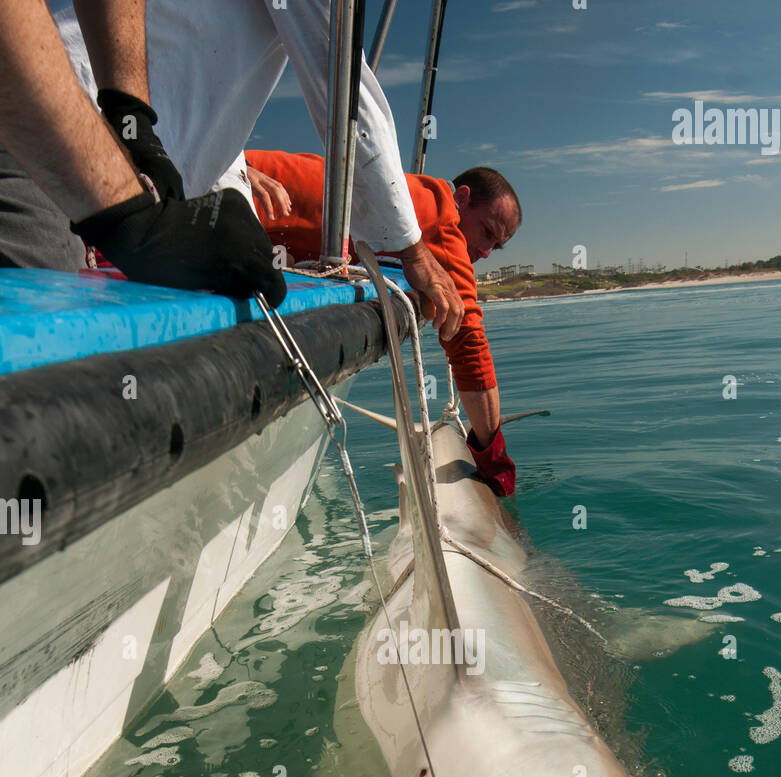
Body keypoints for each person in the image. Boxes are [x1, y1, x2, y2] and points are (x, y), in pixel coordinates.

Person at [0, 0, 463, 337]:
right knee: (47, 351)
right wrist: (410, 248)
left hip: (103, 155)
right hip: (41, 131)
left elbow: (202, 64)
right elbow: (343, 89)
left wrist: (138, 131)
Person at [245, 149, 522, 495]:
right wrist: (495, 463)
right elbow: (469, 347)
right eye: (486, 232)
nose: (484, 251)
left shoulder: (407, 193)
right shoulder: (442, 218)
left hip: (226, 165)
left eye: (496, 247)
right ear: (462, 199)